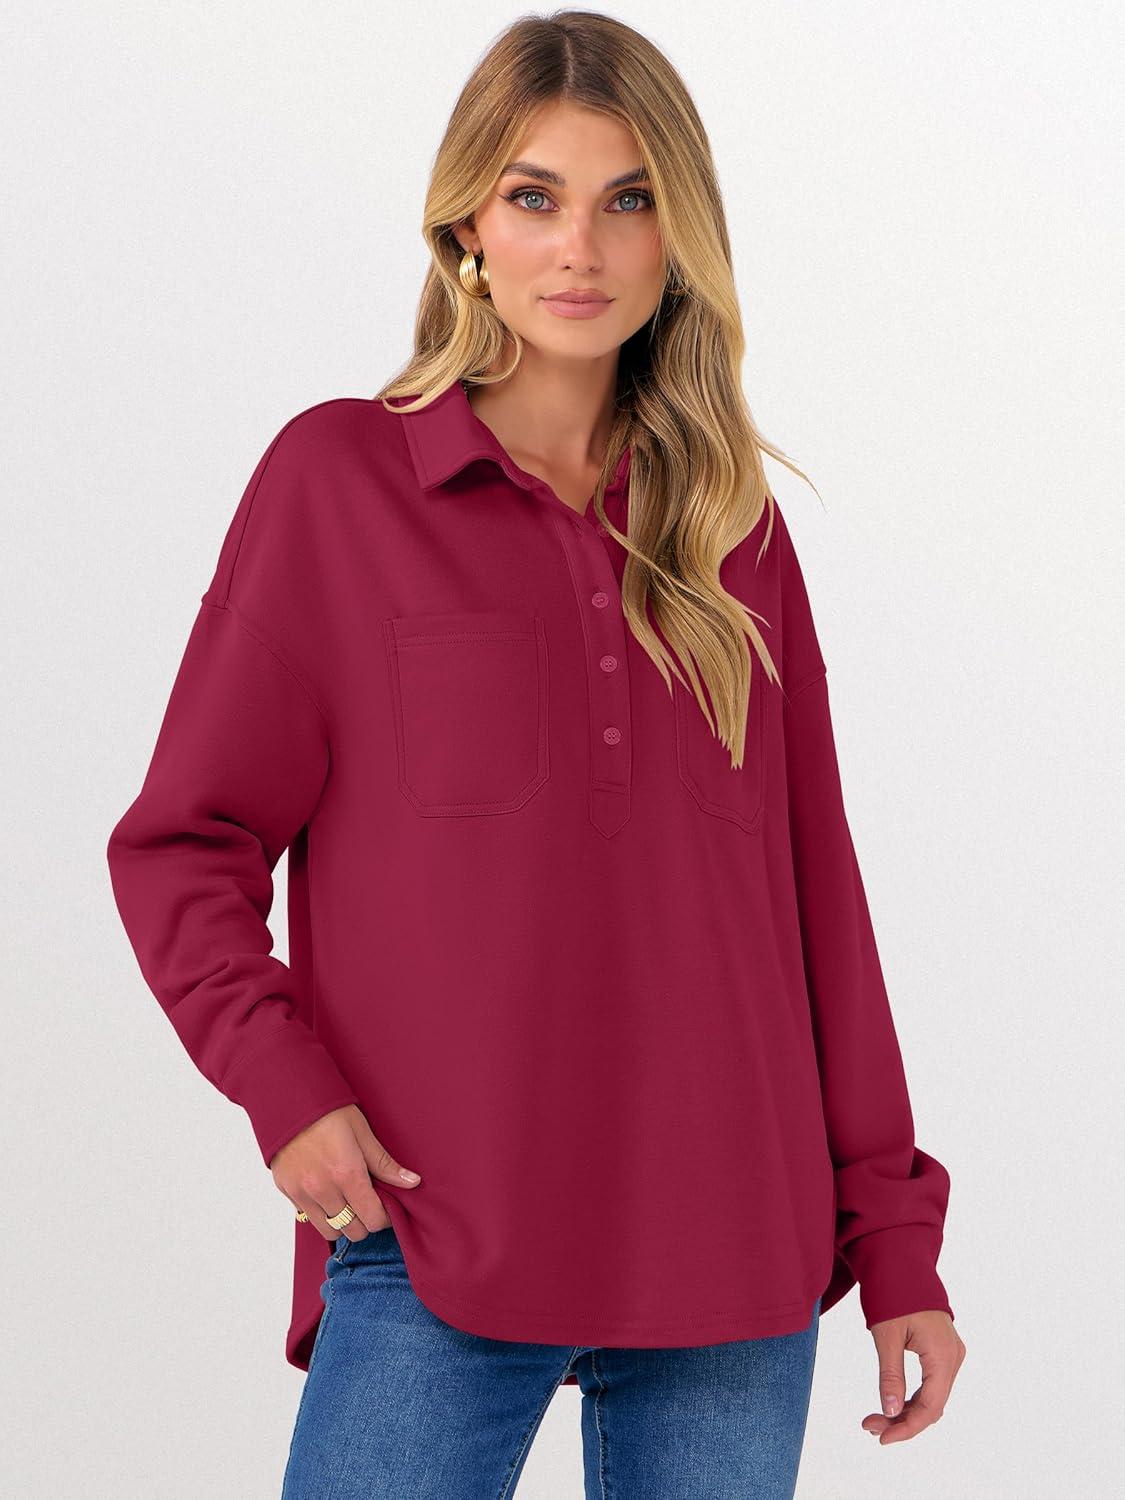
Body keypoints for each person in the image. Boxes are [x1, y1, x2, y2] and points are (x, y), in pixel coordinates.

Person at [105, 11, 965, 1497]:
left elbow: (815, 900)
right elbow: (185, 842)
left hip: (732, 1250)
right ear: (467, 228)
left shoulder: (730, 529)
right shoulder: (339, 483)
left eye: (628, 199)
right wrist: (283, 1087)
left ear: (678, 238)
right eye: (534, 196)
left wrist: (893, 1238)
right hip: (432, 1225)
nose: (580, 248)